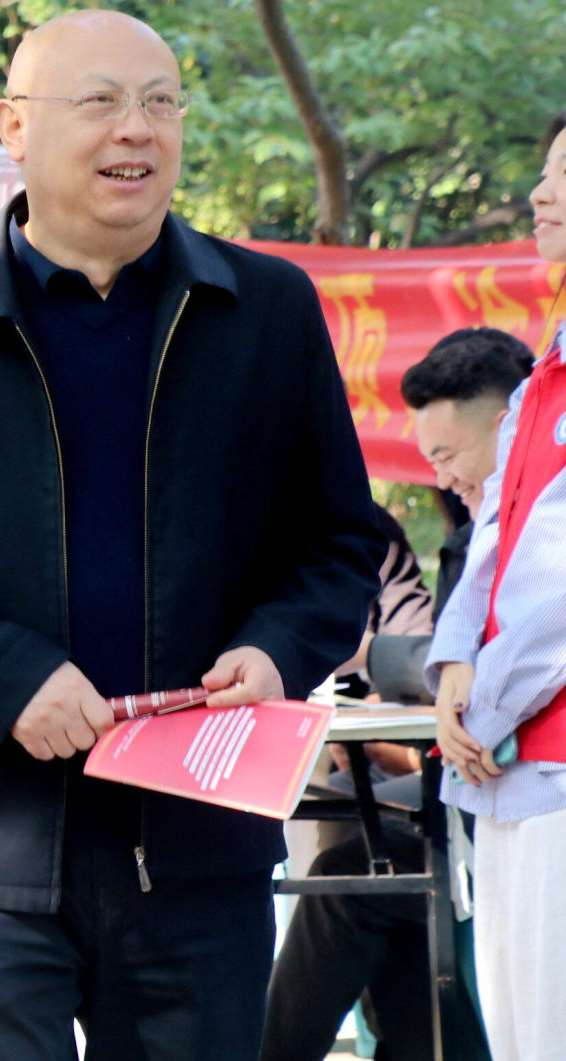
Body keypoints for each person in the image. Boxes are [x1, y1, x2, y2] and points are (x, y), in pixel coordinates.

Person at [0, 10, 381, 1061]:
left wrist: (277, 649)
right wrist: (2, 676)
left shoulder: (264, 310)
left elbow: (338, 540)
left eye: (160, 102)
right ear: (13, 127)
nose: (136, 129)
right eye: (99, 101)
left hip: (197, 843)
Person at [262, 327, 533, 1061]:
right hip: (464, 790)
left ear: (511, 425)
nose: (439, 476)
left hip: (518, 797)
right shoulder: (473, 529)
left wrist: (379, 659)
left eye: (447, 455)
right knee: (378, 868)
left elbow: (474, 666)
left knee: (360, 875)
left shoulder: (530, 526)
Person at [426, 112, 566, 1061]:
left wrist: (479, 710)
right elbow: (491, 545)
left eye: (563, 175)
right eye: (546, 170)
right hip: (508, 766)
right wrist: (450, 671)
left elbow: (554, 585)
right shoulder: (537, 378)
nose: (540, 194)